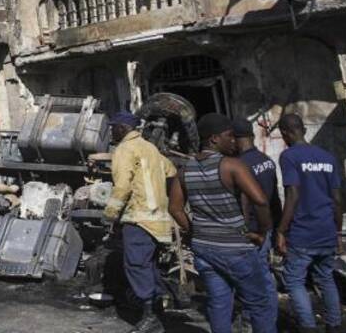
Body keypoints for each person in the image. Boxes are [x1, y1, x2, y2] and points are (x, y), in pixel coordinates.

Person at [168, 113, 274, 333]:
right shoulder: (233, 166)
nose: (235, 141)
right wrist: (263, 232)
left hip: (204, 249)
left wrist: (193, 230)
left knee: (219, 303)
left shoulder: (185, 170)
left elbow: (175, 209)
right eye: (230, 136)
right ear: (214, 139)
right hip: (235, 249)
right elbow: (261, 200)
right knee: (260, 303)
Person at [103, 111, 176, 333]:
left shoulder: (124, 149)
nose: (111, 131)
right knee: (148, 265)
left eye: (113, 127)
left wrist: (110, 214)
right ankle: (158, 309)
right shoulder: (150, 148)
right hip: (158, 219)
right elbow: (171, 171)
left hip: (139, 218)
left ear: (123, 128)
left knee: (136, 265)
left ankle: (151, 318)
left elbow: (123, 186)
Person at [276, 113, 343, 333]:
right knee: (326, 279)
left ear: (284, 132)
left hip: (303, 233)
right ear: (303, 129)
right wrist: (338, 232)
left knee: (295, 281)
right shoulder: (328, 157)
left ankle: (308, 327)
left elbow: (293, 194)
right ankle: (333, 325)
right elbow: (337, 200)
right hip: (326, 231)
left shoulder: (289, 157)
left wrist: (281, 230)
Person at [233, 118, 282, 324]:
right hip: (267, 227)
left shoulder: (239, 166)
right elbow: (275, 199)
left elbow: (246, 201)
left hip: (252, 230)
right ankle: (269, 317)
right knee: (264, 274)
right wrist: (278, 228)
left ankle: (257, 319)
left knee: (253, 279)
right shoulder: (266, 160)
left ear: (234, 140)